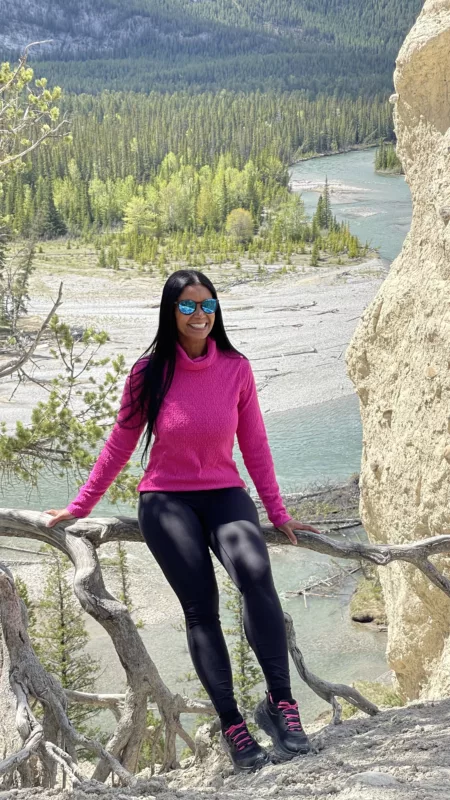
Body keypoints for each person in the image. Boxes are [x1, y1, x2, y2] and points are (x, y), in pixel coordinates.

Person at [44, 269, 321, 774]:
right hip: (165, 501)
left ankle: (281, 707)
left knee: (257, 577)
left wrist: (277, 512)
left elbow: (255, 444)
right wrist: (81, 506)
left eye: (208, 305)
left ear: (218, 312)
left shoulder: (236, 368)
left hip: (224, 495)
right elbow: (120, 444)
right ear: (171, 311)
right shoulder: (148, 372)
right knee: (201, 607)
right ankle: (233, 724)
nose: (199, 315)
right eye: (188, 306)